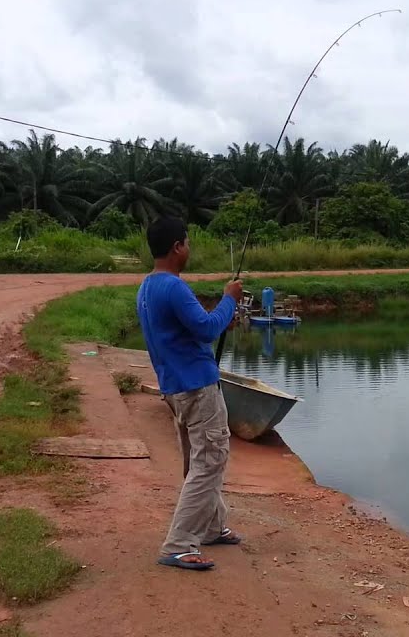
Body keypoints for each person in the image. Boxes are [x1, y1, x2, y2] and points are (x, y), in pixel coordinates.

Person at [136, 216, 244, 571]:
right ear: (176, 247)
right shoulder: (174, 287)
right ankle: (179, 544)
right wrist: (229, 299)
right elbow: (207, 329)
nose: (189, 248)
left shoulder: (147, 288)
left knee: (200, 460)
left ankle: (211, 527)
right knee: (209, 461)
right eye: (188, 242)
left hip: (175, 388)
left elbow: (189, 331)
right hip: (197, 388)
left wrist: (220, 316)